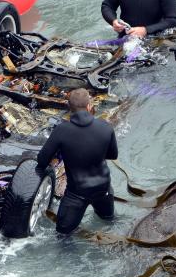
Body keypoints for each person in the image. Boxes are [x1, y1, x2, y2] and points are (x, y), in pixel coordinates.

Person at [36, 88, 118, 234]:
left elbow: (42, 160)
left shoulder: (61, 130)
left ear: (69, 108)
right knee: (109, 222)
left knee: (63, 234)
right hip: (103, 189)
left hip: (76, 194)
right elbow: (112, 155)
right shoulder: (106, 127)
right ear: (89, 106)